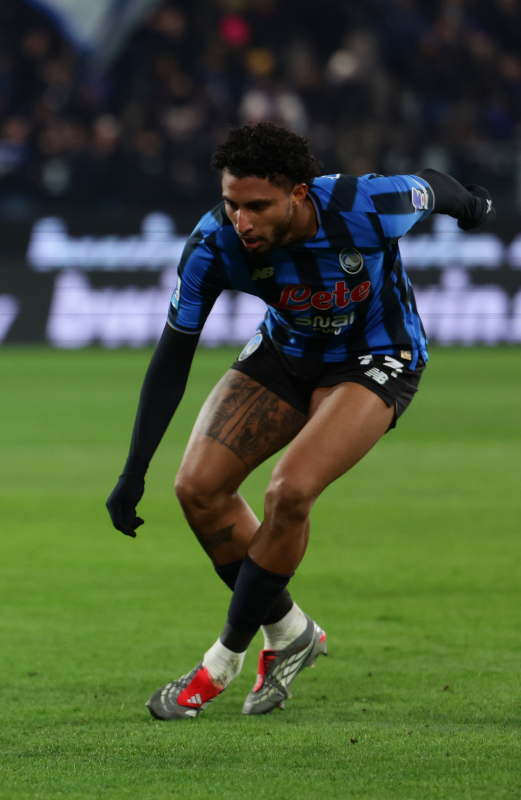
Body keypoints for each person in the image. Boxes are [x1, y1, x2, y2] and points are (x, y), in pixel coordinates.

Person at [105, 122, 495, 720]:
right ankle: (291, 633)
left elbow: (433, 188)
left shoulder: (363, 205)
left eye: (258, 206)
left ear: (299, 195)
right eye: (233, 204)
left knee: (289, 492)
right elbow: (174, 352)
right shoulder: (213, 245)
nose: (244, 221)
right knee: (197, 490)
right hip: (286, 355)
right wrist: (135, 469)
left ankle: (221, 662)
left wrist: (473, 206)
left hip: (376, 356)